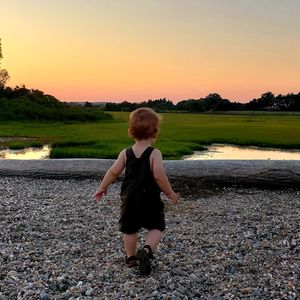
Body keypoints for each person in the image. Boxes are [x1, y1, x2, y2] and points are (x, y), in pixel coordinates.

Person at [95, 107, 179, 275]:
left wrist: (103, 187)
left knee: (129, 229)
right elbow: (159, 176)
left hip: (129, 198)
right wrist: (170, 192)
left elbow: (113, 172)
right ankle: (147, 250)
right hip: (150, 198)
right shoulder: (155, 153)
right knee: (156, 227)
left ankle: (131, 258)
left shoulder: (125, 153)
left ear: (130, 132)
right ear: (155, 133)